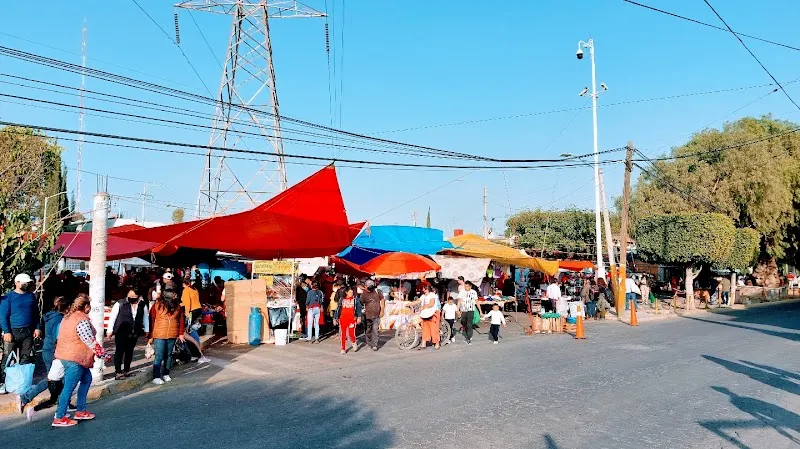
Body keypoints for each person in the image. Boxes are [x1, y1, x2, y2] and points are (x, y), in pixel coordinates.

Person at [52, 294, 105, 427]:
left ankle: (80, 410)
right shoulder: (80, 319)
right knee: (69, 387)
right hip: (75, 358)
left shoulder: (68, 317)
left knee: (86, 379)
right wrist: (103, 354)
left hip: (68, 355)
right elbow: (89, 340)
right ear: (86, 306)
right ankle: (60, 417)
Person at [16, 296, 70, 420]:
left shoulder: (49, 315)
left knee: (55, 378)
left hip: (47, 348)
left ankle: (62, 402)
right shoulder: (60, 319)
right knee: (52, 378)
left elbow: (41, 326)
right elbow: (58, 337)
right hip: (53, 350)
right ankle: (26, 397)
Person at [1, 273, 41, 394]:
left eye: (27, 282)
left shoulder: (31, 296)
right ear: (16, 282)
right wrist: (6, 331)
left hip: (28, 331)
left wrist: (37, 328)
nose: (26, 284)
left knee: (26, 357)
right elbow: (3, 316)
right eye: (24, 282)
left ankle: (23, 382)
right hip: (13, 331)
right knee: (7, 357)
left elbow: (35, 314)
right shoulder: (8, 298)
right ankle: (2, 382)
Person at [108, 289, 149, 380]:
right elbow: (113, 317)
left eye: (135, 297)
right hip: (121, 331)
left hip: (134, 332)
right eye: (132, 297)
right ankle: (118, 372)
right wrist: (109, 330)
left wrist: (147, 330)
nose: (134, 299)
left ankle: (127, 370)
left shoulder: (142, 305)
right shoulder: (120, 304)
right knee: (119, 351)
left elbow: (145, 317)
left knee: (129, 352)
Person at [148, 288, 185, 385]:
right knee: (159, 355)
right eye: (174, 295)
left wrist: (180, 333)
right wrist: (150, 336)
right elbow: (151, 321)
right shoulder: (156, 306)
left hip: (172, 334)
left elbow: (181, 320)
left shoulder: (178, 307)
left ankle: (166, 374)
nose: (176, 296)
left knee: (168, 355)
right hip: (159, 334)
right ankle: (156, 376)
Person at [333, 286, 362, 354]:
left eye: (352, 292)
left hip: (352, 319)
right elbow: (338, 309)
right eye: (349, 292)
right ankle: (343, 348)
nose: (351, 293)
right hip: (343, 319)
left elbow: (359, 308)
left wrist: (359, 317)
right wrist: (335, 318)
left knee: (351, 334)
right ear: (346, 292)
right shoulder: (342, 299)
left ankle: (354, 342)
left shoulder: (355, 299)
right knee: (343, 334)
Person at [359, 280, 384, 351]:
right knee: (368, 330)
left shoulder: (377, 291)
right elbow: (360, 303)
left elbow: (382, 300)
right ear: (366, 286)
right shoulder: (363, 294)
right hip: (367, 315)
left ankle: (374, 344)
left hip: (376, 314)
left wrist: (382, 310)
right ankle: (369, 342)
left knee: (375, 329)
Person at [417, 284, 441, 350]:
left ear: (428, 289)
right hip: (425, 314)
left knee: (434, 329)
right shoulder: (423, 296)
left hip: (433, 313)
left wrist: (424, 307)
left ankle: (437, 343)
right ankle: (424, 342)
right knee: (425, 329)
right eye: (423, 289)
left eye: (425, 289)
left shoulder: (432, 295)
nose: (423, 290)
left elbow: (431, 304)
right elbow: (418, 301)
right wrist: (408, 303)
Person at [180, 278, 202, 344]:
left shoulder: (186, 290)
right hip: (198, 309)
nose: (182, 286)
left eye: (183, 284)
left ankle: (195, 343)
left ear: (185, 284)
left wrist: (187, 313)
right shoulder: (195, 289)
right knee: (194, 326)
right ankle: (196, 343)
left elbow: (187, 303)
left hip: (192, 310)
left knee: (189, 328)